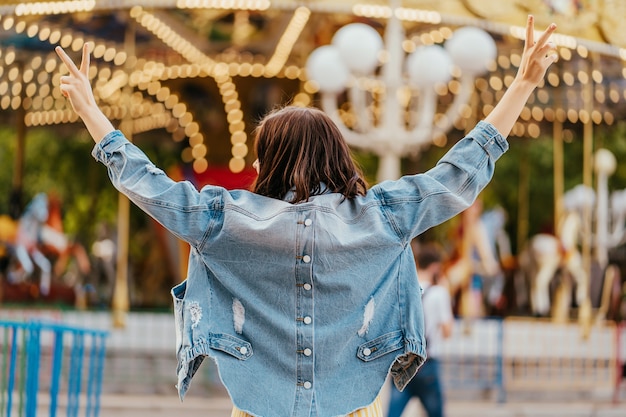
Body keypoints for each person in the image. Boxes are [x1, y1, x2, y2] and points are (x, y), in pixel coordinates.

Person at [55, 15, 557, 417]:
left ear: (271, 160)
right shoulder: (380, 216)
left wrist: (92, 114)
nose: (252, 165)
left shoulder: (225, 219)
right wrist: (521, 87)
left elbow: (148, 185)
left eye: (260, 154)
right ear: (335, 154)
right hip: (352, 406)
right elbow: (459, 174)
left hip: (257, 408)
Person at [386, 242, 453, 417]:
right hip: (427, 363)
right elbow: (447, 331)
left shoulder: (401, 289)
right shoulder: (439, 293)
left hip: (401, 361)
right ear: (435, 267)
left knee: (393, 413)